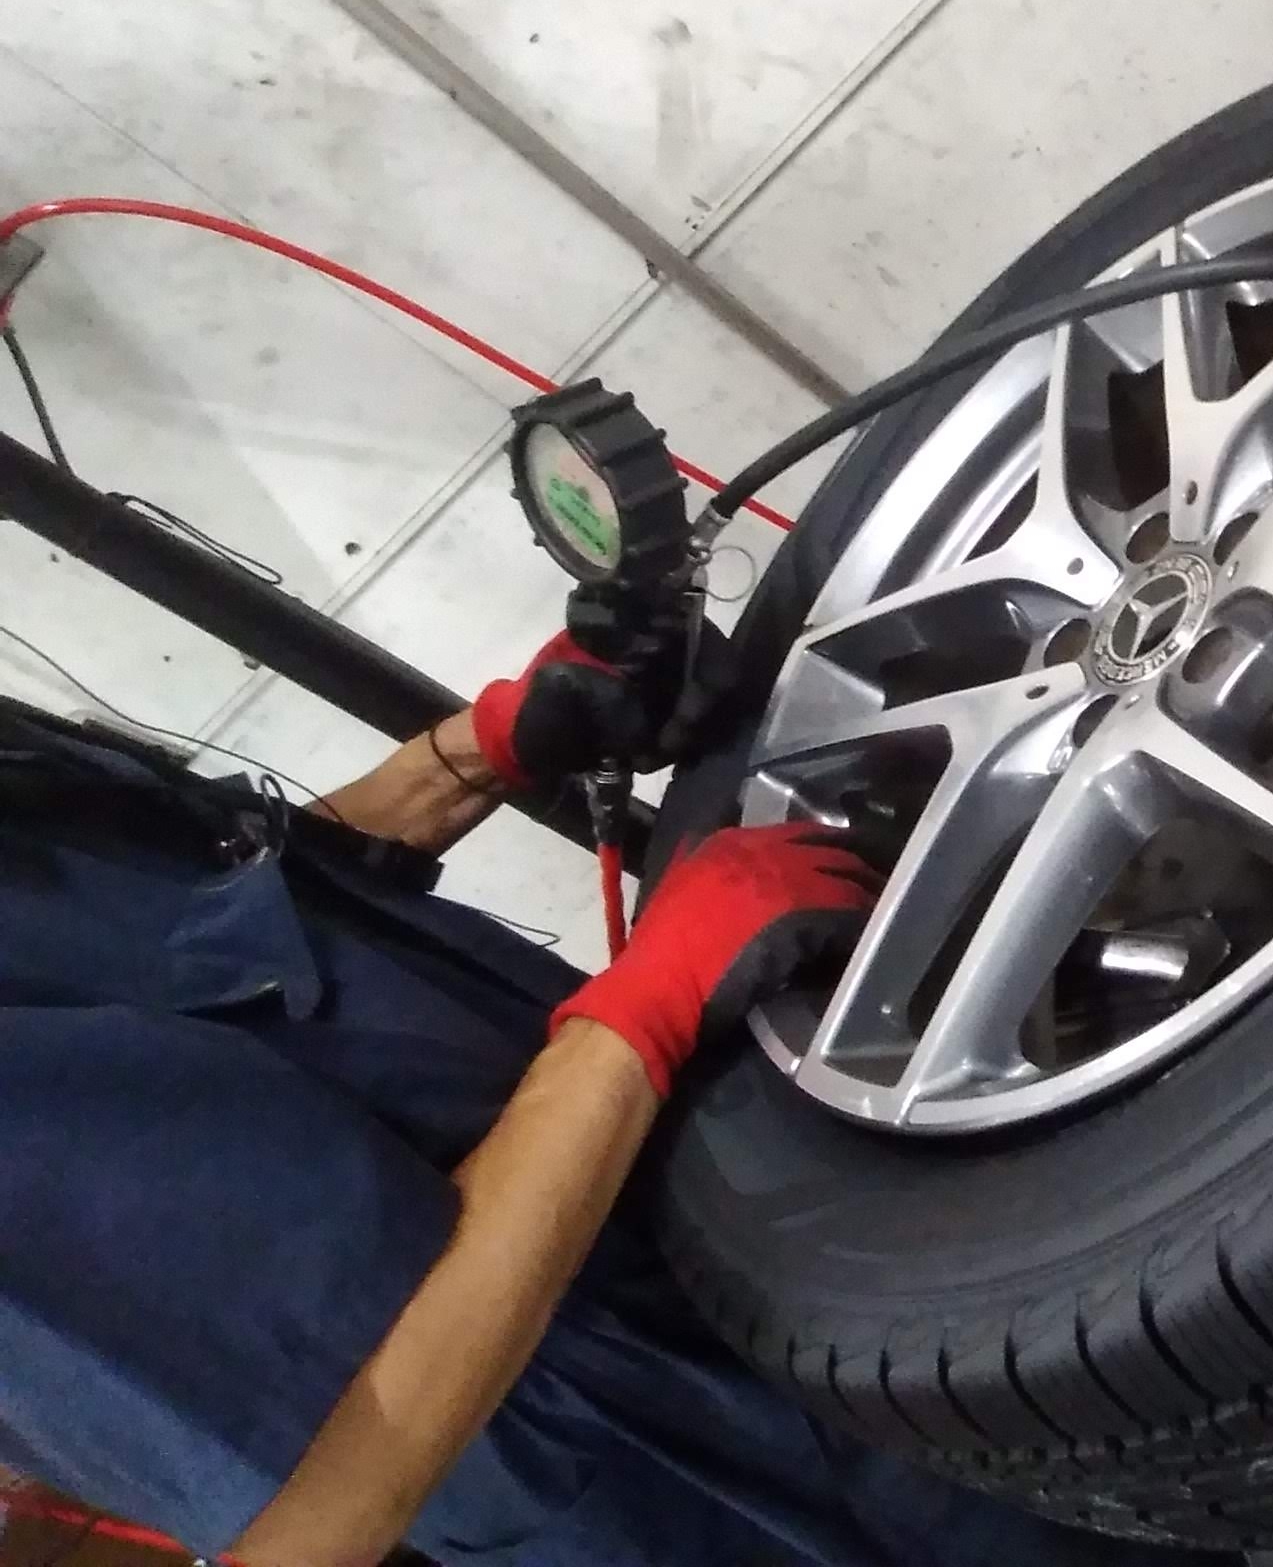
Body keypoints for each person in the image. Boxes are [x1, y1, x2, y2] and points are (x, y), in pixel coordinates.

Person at [0, 638, 1212, 1567]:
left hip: (720, 1210)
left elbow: (193, 951)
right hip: (683, 1454)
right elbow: (318, 1520)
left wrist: (478, 750)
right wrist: (636, 1018)